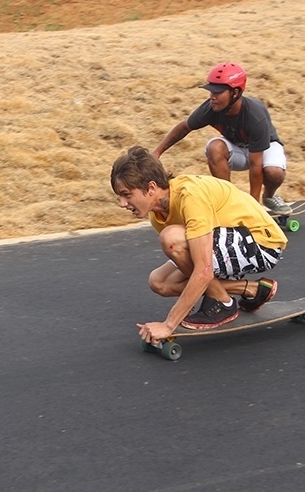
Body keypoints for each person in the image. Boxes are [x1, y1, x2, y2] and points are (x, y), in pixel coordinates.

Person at [110, 146, 288, 344]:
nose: (122, 203)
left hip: (263, 245)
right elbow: (196, 262)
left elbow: (203, 270)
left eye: (127, 194)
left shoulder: (190, 196)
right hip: (230, 246)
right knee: (159, 281)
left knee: (172, 239)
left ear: (151, 188)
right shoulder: (157, 216)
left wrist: (169, 325)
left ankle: (223, 304)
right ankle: (250, 289)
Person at [152, 62, 293, 215]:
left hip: (266, 147)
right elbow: (185, 127)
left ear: (235, 93)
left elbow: (255, 165)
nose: (212, 97)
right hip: (238, 147)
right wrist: (157, 153)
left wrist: (254, 208)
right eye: (211, 92)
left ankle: (269, 197)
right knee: (214, 148)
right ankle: (228, 201)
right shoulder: (210, 108)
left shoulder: (255, 116)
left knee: (274, 172)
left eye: (218, 93)